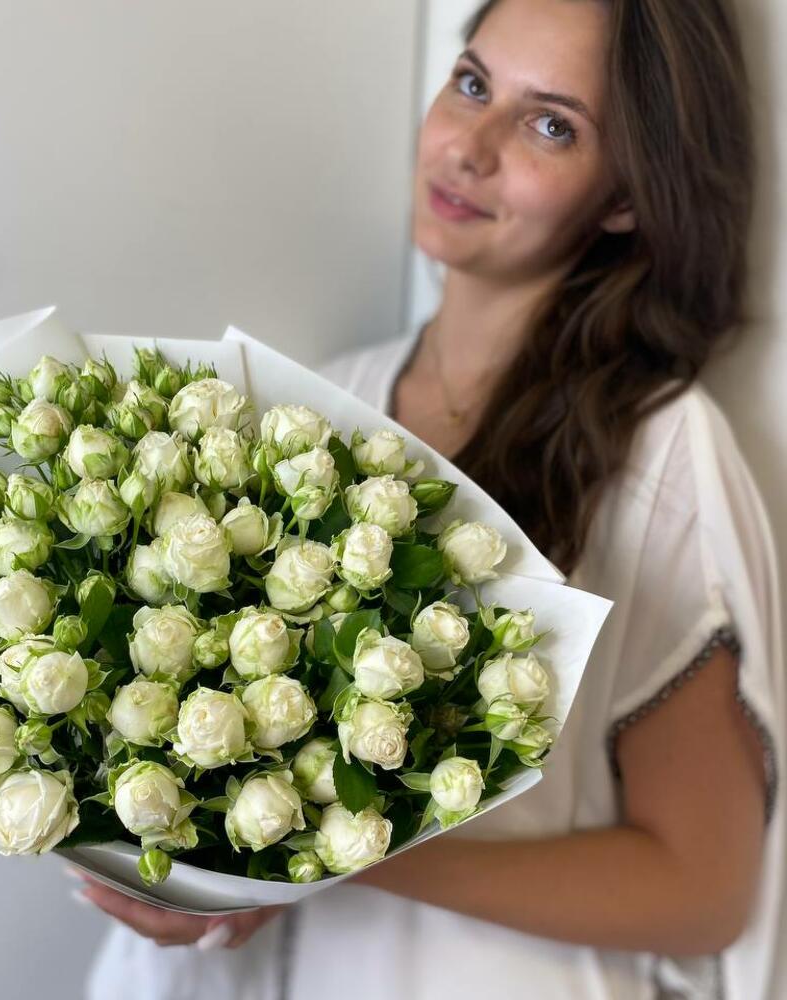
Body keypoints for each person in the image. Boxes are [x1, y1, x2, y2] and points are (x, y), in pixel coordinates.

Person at [73, 0, 785, 997]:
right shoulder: (312, 409)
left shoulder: (657, 449)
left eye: (551, 124)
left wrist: (322, 848)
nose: (469, 148)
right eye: (472, 84)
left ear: (625, 195)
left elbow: (701, 886)